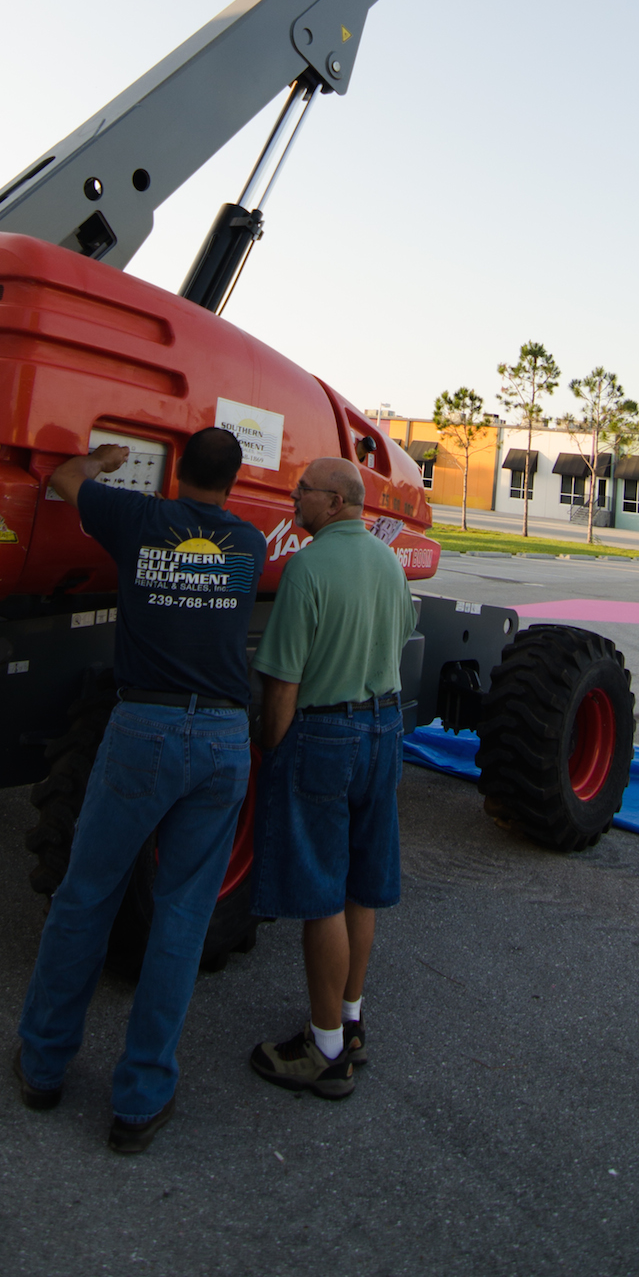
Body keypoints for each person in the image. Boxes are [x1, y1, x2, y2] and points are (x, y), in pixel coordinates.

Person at [13, 424, 265, 1154]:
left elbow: (63, 479)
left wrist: (101, 462)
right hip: (222, 741)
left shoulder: (138, 520)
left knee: (85, 895)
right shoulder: (247, 545)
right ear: (236, 480)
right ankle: (141, 1097)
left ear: (175, 471)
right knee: (183, 919)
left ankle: (43, 1065)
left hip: (144, 729)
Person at [247, 454, 416, 1097]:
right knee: (359, 887)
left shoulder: (307, 568)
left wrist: (275, 750)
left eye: (304, 491)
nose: (294, 497)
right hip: (384, 731)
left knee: (320, 891)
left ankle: (323, 1053)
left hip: (326, 735)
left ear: (338, 502)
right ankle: (351, 1020)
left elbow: (283, 682)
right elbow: (401, 636)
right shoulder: (387, 563)